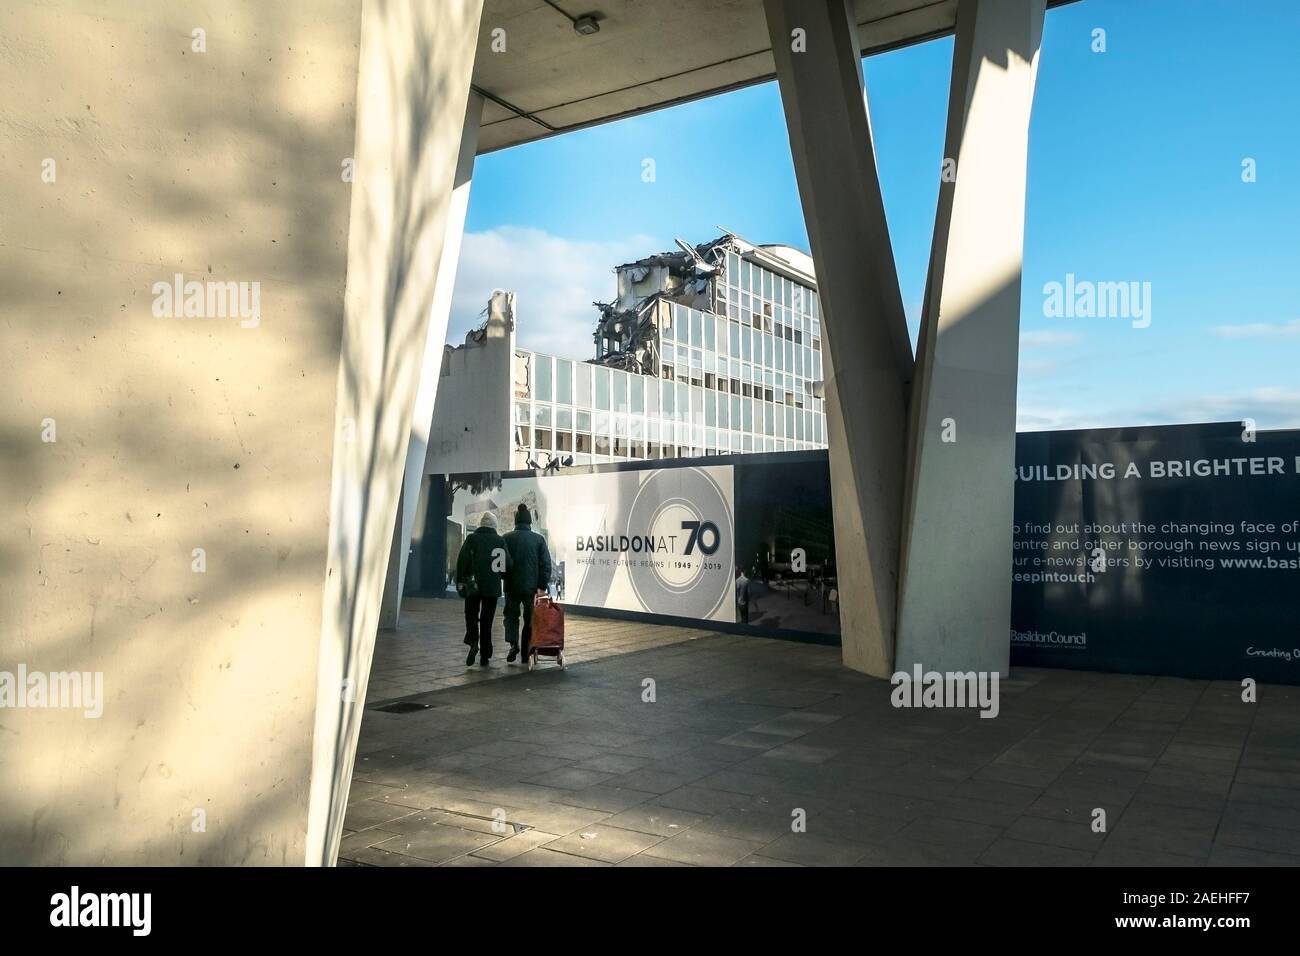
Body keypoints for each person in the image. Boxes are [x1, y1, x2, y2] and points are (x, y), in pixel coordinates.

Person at [455, 512, 509, 667]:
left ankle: (473, 641)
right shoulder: (500, 541)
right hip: (492, 587)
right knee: (487, 621)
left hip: (473, 586)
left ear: (481, 524)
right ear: (494, 525)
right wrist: (501, 576)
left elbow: (462, 560)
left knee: (471, 615)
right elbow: (507, 564)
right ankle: (485, 654)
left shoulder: (472, 539)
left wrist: (460, 580)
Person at [502, 502, 553, 663]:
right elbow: (546, 565)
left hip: (511, 586)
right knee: (529, 618)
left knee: (511, 615)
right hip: (531, 587)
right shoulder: (538, 540)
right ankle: (526, 652)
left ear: (516, 521)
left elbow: (501, 563)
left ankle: (512, 643)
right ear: (529, 522)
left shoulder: (506, 538)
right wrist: (541, 585)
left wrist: (504, 578)